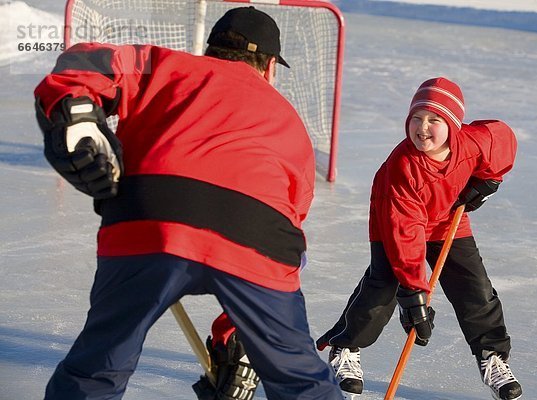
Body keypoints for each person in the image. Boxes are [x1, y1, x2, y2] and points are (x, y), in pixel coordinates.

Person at [34, 6, 343, 400]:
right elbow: (290, 226)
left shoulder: (162, 64)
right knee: (302, 383)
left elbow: (85, 61)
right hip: (258, 236)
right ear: (269, 67)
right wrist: (238, 338)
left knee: (97, 367)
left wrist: (76, 115)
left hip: (147, 218)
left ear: (209, 49)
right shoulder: (289, 120)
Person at [316, 77, 523, 400]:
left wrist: (488, 180)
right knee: (383, 287)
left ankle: (492, 355)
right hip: (394, 222)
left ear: (453, 126)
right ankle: (345, 347)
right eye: (416, 118)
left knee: (475, 287)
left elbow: (503, 140)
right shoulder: (402, 167)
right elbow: (406, 232)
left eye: (434, 119)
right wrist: (414, 292)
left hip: (446, 221)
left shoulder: (472, 143)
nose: (422, 127)